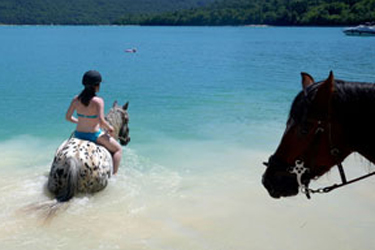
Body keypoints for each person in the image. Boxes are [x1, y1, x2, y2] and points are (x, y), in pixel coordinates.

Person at [65, 70, 122, 174]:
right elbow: (101, 121)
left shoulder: (76, 99)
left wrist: (80, 121)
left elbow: (68, 117)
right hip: (94, 136)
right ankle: (114, 176)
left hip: (78, 135)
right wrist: (110, 128)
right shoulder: (98, 101)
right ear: (96, 85)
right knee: (118, 150)